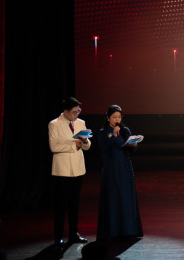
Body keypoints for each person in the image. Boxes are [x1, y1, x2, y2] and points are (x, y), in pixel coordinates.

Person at [48, 96, 92, 246]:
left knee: (74, 204)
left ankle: (74, 233)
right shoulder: (54, 124)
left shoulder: (81, 123)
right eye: (74, 112)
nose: (77, 114)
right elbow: (54, 147)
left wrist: (85, 141)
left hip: (77, 169)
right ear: (65, 111)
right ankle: (58, 236)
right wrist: (74, 144)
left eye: (78, 111)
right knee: (60, 205)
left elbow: (87, 146)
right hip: (62, 171)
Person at [95, 105, 143, 240]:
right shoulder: (103, 132)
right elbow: (104, 148)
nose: (117, 119)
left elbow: (130, 150)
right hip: (111, 167)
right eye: (114, 117)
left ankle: (129, 230)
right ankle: (113, 231)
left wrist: (134, 145)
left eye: (119, 117)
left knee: (126, 197)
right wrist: (113, 136)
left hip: (125, 167)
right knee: (113, 197)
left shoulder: (125, 130)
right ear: (108, 118)